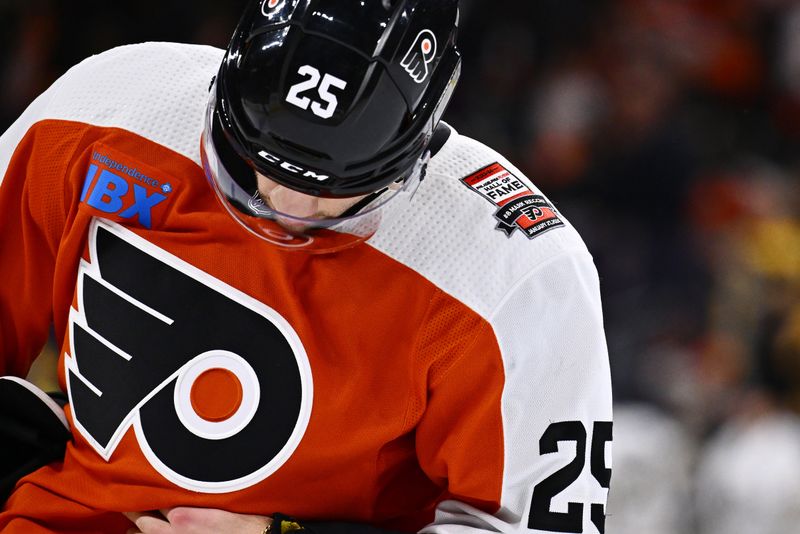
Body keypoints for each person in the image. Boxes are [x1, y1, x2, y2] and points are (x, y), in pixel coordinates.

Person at [0, 1, 613, 532]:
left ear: (418, 139)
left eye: (335, 186)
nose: (286, 205)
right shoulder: (108, 110)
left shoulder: (519, 273)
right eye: (257, 160)